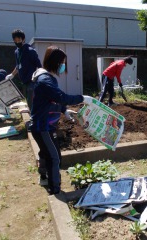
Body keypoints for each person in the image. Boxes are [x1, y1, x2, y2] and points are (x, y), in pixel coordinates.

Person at [30, 45, 91, 195]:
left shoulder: (45, 77)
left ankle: (44, 177)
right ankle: (55, 190)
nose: (63, 65)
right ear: (55, 62)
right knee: (54, 157)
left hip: (45, 125)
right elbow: (60, 97)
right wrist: (82, 98)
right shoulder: (45, 79)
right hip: (43, 126)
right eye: (62, 62)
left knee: (46, 152)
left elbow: (51, 101)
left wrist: (64, 110)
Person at [5, 29, 42, 110]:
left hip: (31, 81)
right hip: (24, 81)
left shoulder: (30, 51)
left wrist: (37, 79)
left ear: (23, 39)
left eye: (19, 40)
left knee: (32, 102)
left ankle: (34, 119)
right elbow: (18, 65)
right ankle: (33, 117)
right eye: (15, 40)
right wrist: (12, 74)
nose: (17, 42)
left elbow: (39, 66)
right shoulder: (17, 52)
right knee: (28, 102)